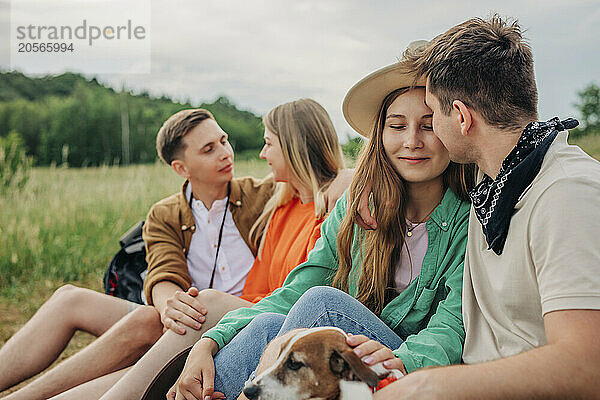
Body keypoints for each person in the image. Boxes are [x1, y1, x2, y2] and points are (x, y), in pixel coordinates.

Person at [168, 41, 475, 400]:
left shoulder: (467, 218)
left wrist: (402, 359)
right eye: (397, 125)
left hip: (412, 366)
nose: (411, 141)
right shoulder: (357, 206)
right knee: (269, 323)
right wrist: (211, 339)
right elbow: (293, 291)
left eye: (428, 126)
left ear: (450, 129)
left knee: (323, 305)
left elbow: (452, 325)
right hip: (353, 362)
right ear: (381, 134)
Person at [0, 107, 349, 400]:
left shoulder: (265, 196)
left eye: (224, 141)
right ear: (181, 168)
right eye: (209, 149)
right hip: (185, 316)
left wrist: (348, 176)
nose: (226, 153)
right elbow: (163, 273)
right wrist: (171, 306)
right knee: (72, 299)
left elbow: (320, 172)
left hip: (226, 312)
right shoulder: (166, 214)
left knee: (181, 322)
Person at [361, 16, 600, 400]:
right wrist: (354, 183)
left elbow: (588, 366)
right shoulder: (493, 179)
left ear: (461, 117)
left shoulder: (567, 194)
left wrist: (426, 385)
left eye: (433, 115)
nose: (429, 133)